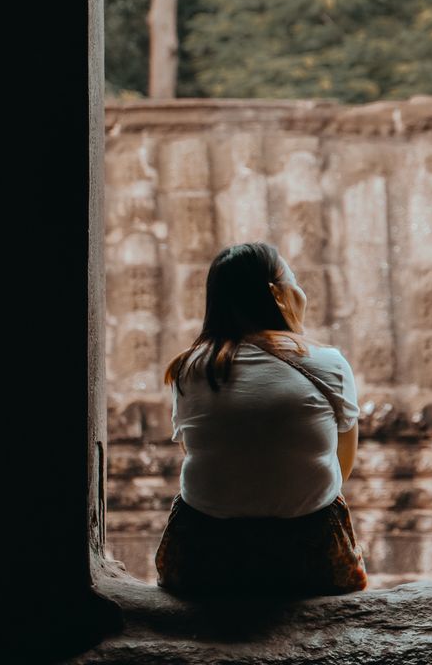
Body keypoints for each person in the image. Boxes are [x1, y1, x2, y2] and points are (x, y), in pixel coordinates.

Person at [154, 241, 367, 596]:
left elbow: (194, 451)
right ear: (277, 294)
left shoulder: (189, 369)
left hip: (203, 558)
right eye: (294, 279)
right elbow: (341, 463)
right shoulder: (328, 362)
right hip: (309, 557)